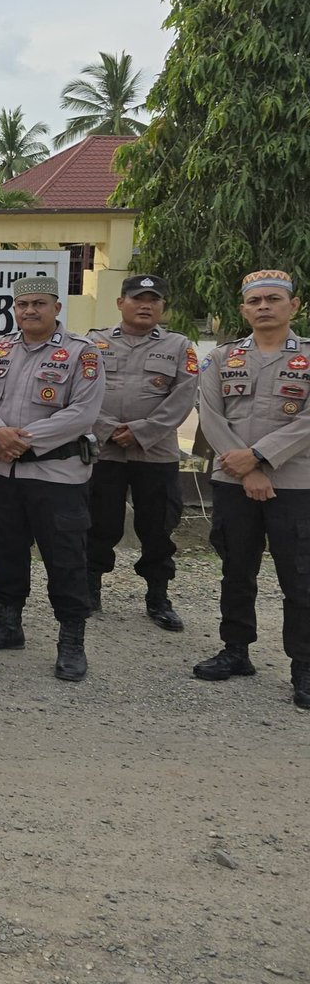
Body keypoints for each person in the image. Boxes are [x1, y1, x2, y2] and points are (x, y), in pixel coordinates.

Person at [0, 275, 105, 682]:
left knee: (65, 559)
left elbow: (82, 412)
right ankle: (8, 625)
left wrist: (20, 440)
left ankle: (71, 641)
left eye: (39, 304)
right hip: (4, 473)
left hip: (57, 476)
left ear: (56, 308)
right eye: (23, 305)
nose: (30, 311)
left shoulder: (82, 353)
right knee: (4, 550)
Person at [193, 269, 310, 710]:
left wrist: (259, 458)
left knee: (300, 577)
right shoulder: (222, 358)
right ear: (243, 309)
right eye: (255, 301)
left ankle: (304, 665)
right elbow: (209, 413)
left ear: (293, 306)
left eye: (273, 299)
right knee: (236, 569)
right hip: (233, 480)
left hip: (296, 483)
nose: (264, 307)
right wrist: (246, 468)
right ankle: (235, 650)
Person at [85, 275, 200, 631]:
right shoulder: (94, 342)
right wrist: (107, 429)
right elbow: (81, 389)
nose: (145, 305)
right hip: (104, 451)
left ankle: (158, 596)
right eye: (137, 298)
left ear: (163, 307)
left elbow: (184, 396)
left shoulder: (180, 346)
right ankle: (89, 589)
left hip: (156, 453)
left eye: (154, 300)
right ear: (121, 303)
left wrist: (140, 432)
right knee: (96, 524)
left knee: (158, 527)